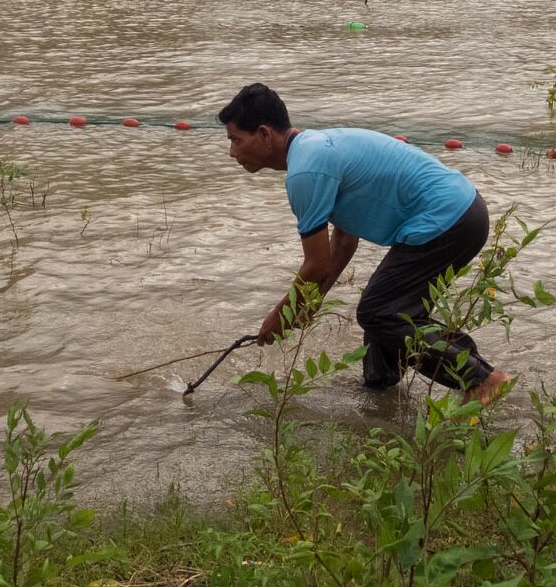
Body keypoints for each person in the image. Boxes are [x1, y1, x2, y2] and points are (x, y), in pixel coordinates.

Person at [219, 82, 512, 404]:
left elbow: (316, 265)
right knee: (386, 307)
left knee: (379, 313)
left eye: (235, 139)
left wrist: (280, 315)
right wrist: (311, 302)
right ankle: (380, 391)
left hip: (448, 219)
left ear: (263, 133)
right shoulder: (314, 149)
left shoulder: (305, 171)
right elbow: (344, 241)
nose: (232, 151)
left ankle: (481, 378)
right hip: (461, 211)